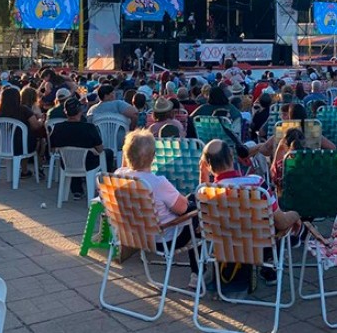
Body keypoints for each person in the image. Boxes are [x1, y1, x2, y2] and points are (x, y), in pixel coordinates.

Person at [115, 129, 199, 287]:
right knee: (197, 209)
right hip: (165, 239)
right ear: (153, 157)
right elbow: (182, 210)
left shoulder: (117, 176)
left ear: (126, 154)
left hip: (134, 237)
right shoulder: (157, 183)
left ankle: (199, 271)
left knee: (189, 201)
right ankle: (197, 272)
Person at [199, 139, 301, 234]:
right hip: (259, 249)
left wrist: (203, 173)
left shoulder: (206, 192)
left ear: (207, 165)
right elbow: (281, 222)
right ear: (231, 155)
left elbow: (203, 215)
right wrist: (296, 215)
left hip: (224, 251)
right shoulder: (256, 183)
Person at [49, 98, 115, 201]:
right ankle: (106, 187)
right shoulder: (89, 128)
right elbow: (100, 149)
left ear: (65, 112)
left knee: (73, 156)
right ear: (80, 111)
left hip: (67, 163)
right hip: (88, 164)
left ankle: (77, 190)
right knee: (108, 153)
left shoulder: (57, 128)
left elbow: (52, 150)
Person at [0, 87, 42, 178]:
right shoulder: (24, 110)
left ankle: (18, 170)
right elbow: (35, 126)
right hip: (22, 146)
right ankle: (25, 170)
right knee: (34, 140)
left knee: (21, 139)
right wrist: (41, 120)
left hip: (4, 145)